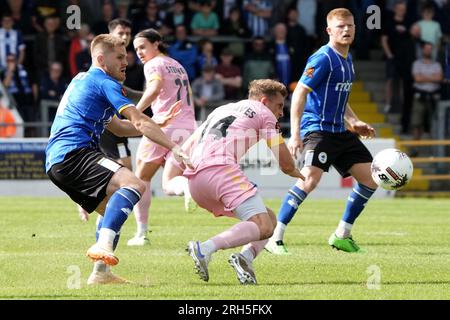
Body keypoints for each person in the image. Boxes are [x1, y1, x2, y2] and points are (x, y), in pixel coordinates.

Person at [45, 34, 190, 285]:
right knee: (134, 184)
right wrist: (173, 146)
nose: (127, 61)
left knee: (113, 208)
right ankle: (103, 245)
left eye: (127, 56)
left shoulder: (84, 80)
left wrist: (158, 123)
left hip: (58, 161)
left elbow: (120, 128)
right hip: (75, 154)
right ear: (101, 59)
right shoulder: (104, 82)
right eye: (120, 57)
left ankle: (101, 273)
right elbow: (137, 120)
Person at [265, 8, 378, 255]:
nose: (346, 30)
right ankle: (275, 237)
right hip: (318, 129)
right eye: (340, 26)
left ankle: (342, 235)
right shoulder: (323, 58)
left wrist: (354, 121)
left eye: (350, 25)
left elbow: (340, 97)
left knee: (370, 179)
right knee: (309, 179)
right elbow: (300, 92)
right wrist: (294, 134)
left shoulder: (347, 59)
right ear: (329, 30)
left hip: (339, 131)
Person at [184, 79, 303, 284]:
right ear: (264, 101)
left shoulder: (222, 109)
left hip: (195, 180)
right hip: (220, 171)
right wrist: (296, 172)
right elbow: (285, 163)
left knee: (269, 219)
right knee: (263, 226)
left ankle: (245, 258)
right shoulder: (263, 112)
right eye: (279, 106)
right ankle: (205, 249)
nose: (281, 113)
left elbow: (185, 148)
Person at [127, 28, 198, 246]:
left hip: (164, 126)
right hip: (187, 128)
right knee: (169, 183)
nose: (139, 52)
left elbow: (155, 88)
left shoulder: (153, 64)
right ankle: (188, 188)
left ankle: (142, 233)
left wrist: (134, 112)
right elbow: (189, 97)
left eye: (142, 47)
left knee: (141, 178)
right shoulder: (177, 65)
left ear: (156, 44)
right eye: (136, 48)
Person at [78, 18, 142, 222]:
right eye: (120, 33)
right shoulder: (102, 64)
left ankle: (100, 207)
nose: (124, 37)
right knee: (117, 170)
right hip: (103, 123)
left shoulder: (127, 60)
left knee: (126, 167)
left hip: (117, 120)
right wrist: (149, 98)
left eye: (127, 34)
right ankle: (87, 199)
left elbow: (125, 92)